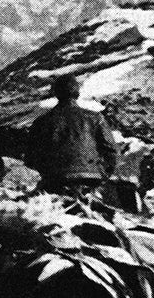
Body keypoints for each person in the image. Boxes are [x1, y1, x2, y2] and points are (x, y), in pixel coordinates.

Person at [23, 74, 118, 202]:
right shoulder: (96, 118)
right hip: (91, 178)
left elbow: (30, 158)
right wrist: (102, 175)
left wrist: (48, 171)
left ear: (55, 93)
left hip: (55, 179)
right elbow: (112, 151)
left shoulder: (41, 122)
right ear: (77, 93)